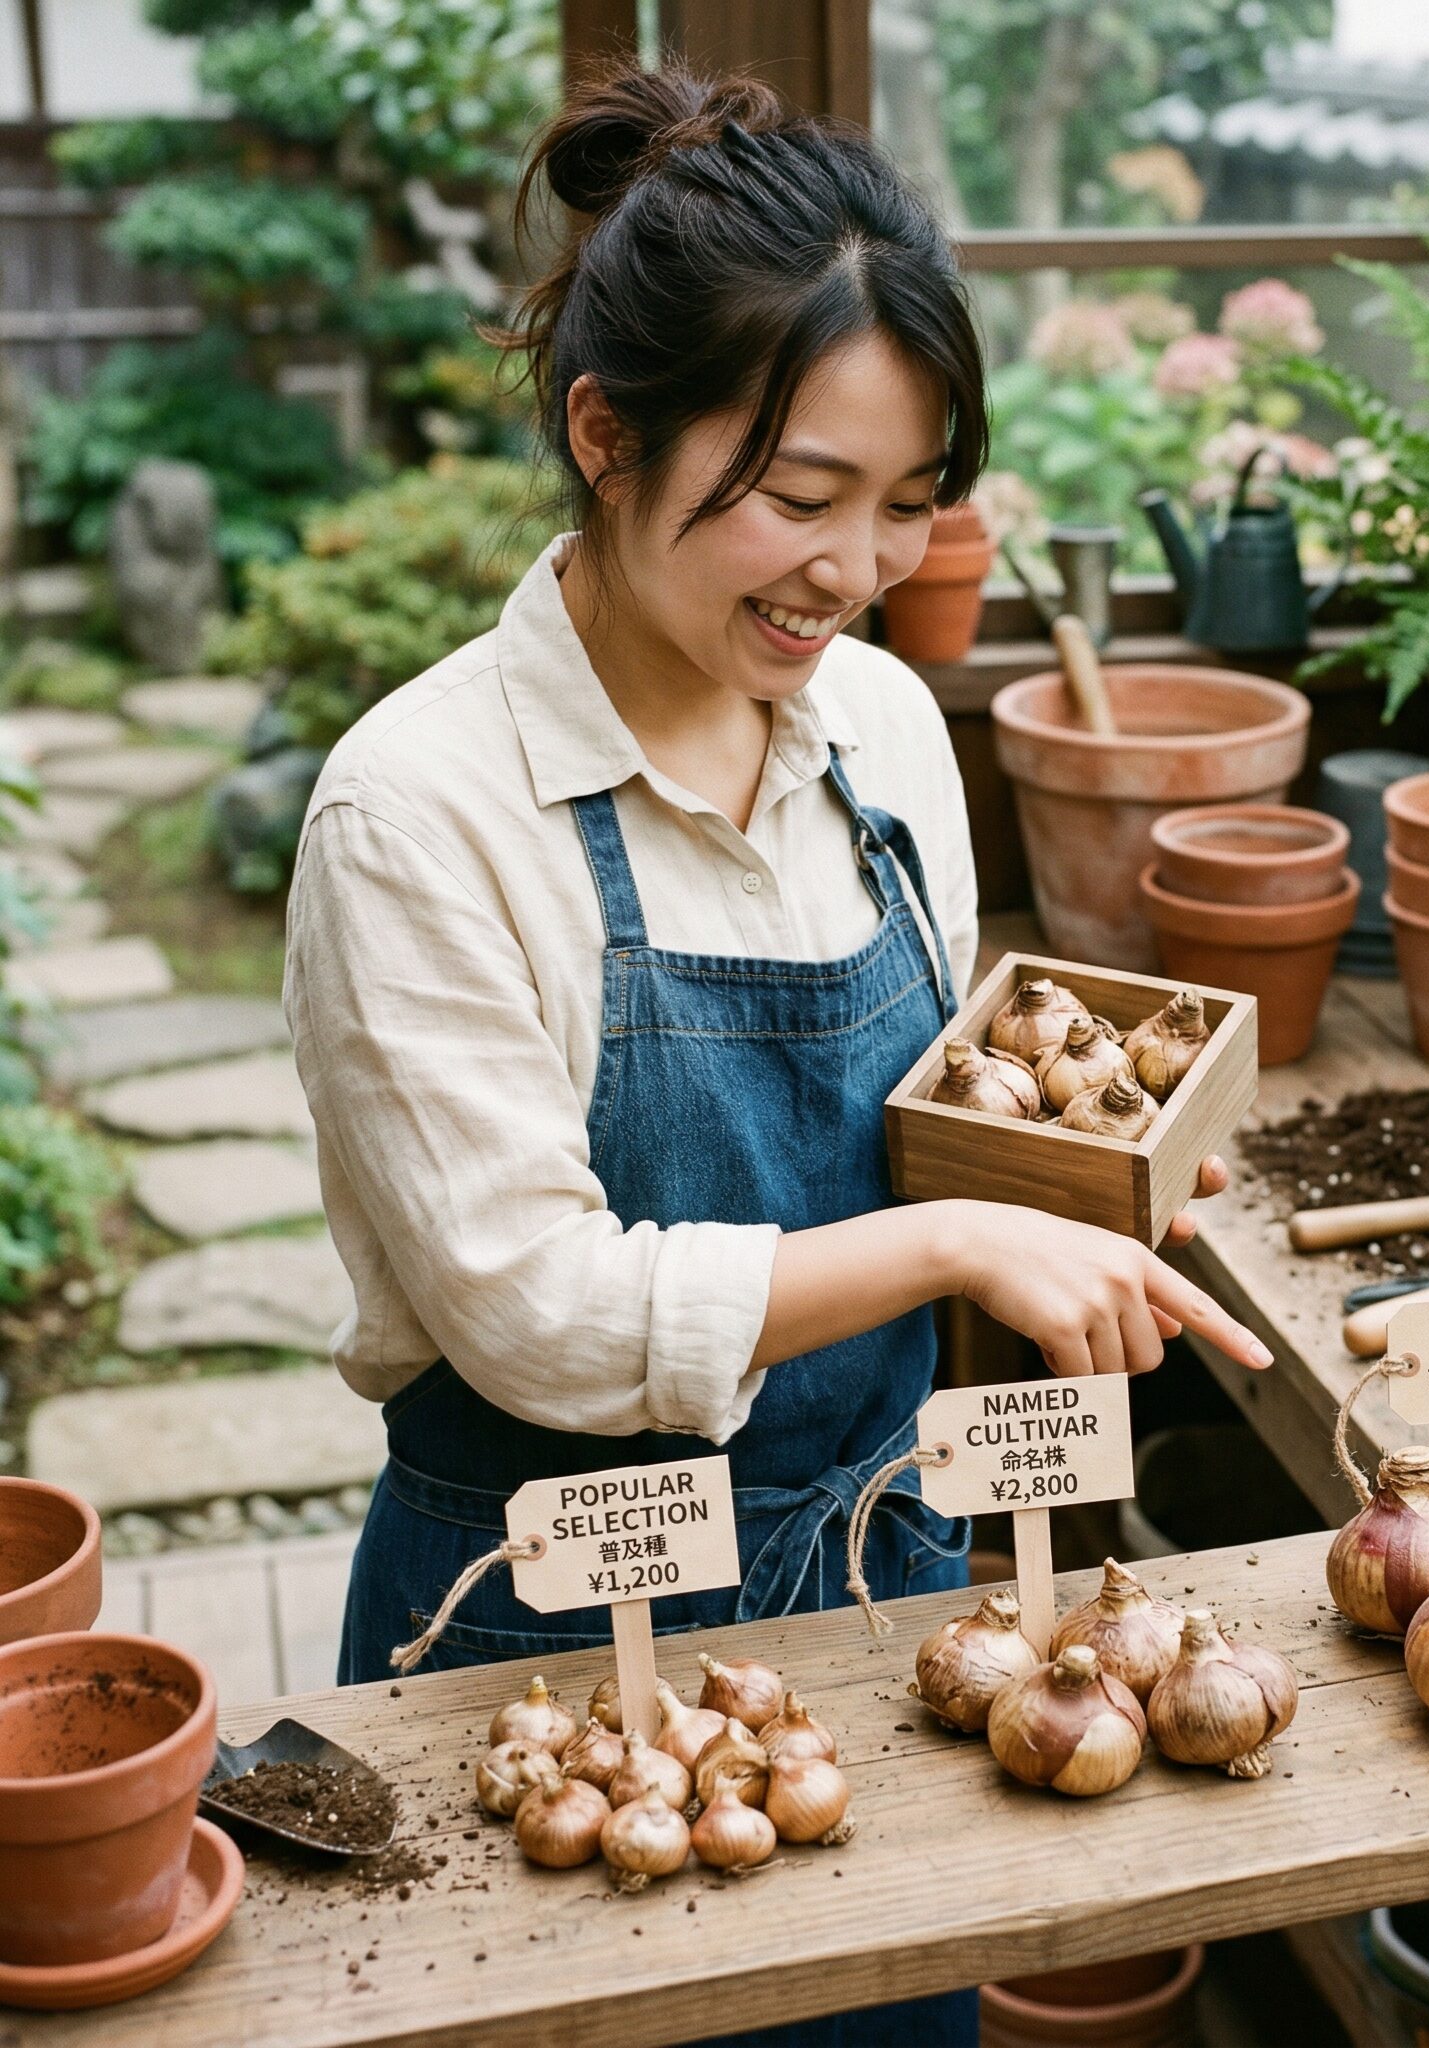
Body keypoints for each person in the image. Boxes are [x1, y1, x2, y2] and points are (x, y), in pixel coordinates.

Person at [285, 61, 1270, 2043]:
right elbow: (541, 1313)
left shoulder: (885, 733)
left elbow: (930, 1117)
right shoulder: (420, 811)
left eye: (908, 505)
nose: (857, 568)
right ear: (606, 434)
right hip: (546, 1640)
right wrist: (955, 1243)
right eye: (802, 499)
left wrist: (1079, 1188)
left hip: (893, 1597)